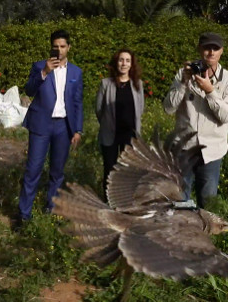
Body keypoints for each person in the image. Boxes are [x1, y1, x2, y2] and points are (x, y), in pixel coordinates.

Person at [162, 32, 228, 208]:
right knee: (179, 201)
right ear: (199, 49)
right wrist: (183, 83)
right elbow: (168, 108)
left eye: (215, 48)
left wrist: (211, 91)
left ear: (221, 51)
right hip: (184, 149)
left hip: (212, 150)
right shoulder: (183, 74)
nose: (211, 52)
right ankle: (180, 234)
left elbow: (226, 116)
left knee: (208, 203)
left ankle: (205, 235)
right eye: (207, 48)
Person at [16, 29, 83, 228]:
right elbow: (29, 90)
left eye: (63, 46)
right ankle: (23, 215)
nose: (59, 50)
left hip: (63, 126)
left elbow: (78, 102)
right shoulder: (39, 66)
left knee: (57, 171)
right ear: (51, 48)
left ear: (69, 48)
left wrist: (77, 130)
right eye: (56, 47)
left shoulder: (76, 72)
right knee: (33, 169)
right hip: (41, 125)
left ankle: (51, 207)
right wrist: (44, 72)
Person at [95, 48, 145, 199]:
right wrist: (106, 123)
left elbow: (140, 108)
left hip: (129, 135)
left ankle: (125, 202)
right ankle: (109, 201)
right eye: (121, 60)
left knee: (127, 170)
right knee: (110, 170)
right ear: (116, 62)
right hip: (110, 133)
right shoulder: (106, 84)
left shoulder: (138, 84)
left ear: (131, 64)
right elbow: (99, 108)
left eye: (127, 60)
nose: (124, 64)